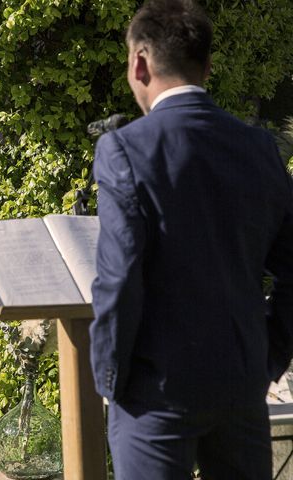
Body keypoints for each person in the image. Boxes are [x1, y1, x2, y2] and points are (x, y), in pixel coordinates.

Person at [89, 1, 293, 478]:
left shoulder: (125, 148)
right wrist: (266, 356)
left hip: (153, 389)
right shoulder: (259, 148)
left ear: (138, 63)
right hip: (240, 381)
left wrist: (109, 378)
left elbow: (119, 279)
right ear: (208, 66)